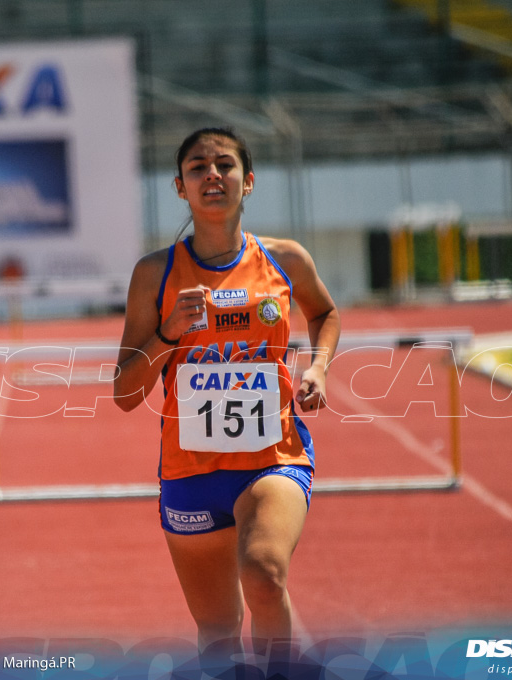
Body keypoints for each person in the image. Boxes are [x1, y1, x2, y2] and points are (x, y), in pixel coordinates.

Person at [113, 128, 340, 659]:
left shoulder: (285, 259)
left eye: (225, 165)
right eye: (197, 167)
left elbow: (325, 314)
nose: (212, 175)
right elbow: (125, 393)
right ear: (179, 187)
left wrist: (319, 367)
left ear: (249, 180)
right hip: (190, 471)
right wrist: (169, 332)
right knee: (217, 632)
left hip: (274, 456)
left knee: (263, 576)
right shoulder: (155, 274)